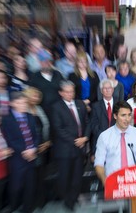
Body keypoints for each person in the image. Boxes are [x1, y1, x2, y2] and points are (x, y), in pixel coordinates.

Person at [51, 81, 90, 211]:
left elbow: (87, 122)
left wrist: (85, 137)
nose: (70, 94)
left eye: (72, 91)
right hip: (65, 150)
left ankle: (73, 199)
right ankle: (67, 200)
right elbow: (58, 129)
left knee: (77, 177)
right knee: (64, 177)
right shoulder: (56, 107)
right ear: (61, 93)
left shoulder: (80, 103)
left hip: (80, 148)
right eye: (67, 92)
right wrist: (76, 140)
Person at [1, 92, 38, 213]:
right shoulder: (6, 119)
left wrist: (33, 149)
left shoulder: (30, 116)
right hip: (17, 158)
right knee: (16, 186)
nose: (23, 105)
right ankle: (13, 207)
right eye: (19, 102)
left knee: (30, 186)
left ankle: (28, 208)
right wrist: (23, 151)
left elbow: (36, 136)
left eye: (24, 102)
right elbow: (9, 139)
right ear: (12, 103)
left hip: (32, 156)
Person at [95, 101, 136, 184]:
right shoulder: (104, 136)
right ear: (115, 116)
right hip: (113, 181)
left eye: (129, 115)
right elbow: (99, 163)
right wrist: (104, 180)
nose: (127, 119)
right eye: (123, 115)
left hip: (134, 181)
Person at [23, 87, 51, 208]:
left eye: (38, 96)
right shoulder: (23, 110)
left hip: (42, 147)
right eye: (34, 95)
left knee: (41, 176)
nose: (37, 98)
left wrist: (47, 142)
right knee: (30, 178)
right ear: (27, 96)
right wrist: (34, 147)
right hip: (29, 150)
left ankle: (41, 201)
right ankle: (30, 203)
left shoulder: (39, 109)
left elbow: (46, 126)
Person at [90, 79, 117, 162]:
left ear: (112, 89)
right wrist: (104, 136)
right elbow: (93, 125)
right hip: (101, 141)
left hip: (117, 140)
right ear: (101, 91)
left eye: (109, 88)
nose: (107, 90)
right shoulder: (95, 106)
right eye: (105, 88)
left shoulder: (120, 103)